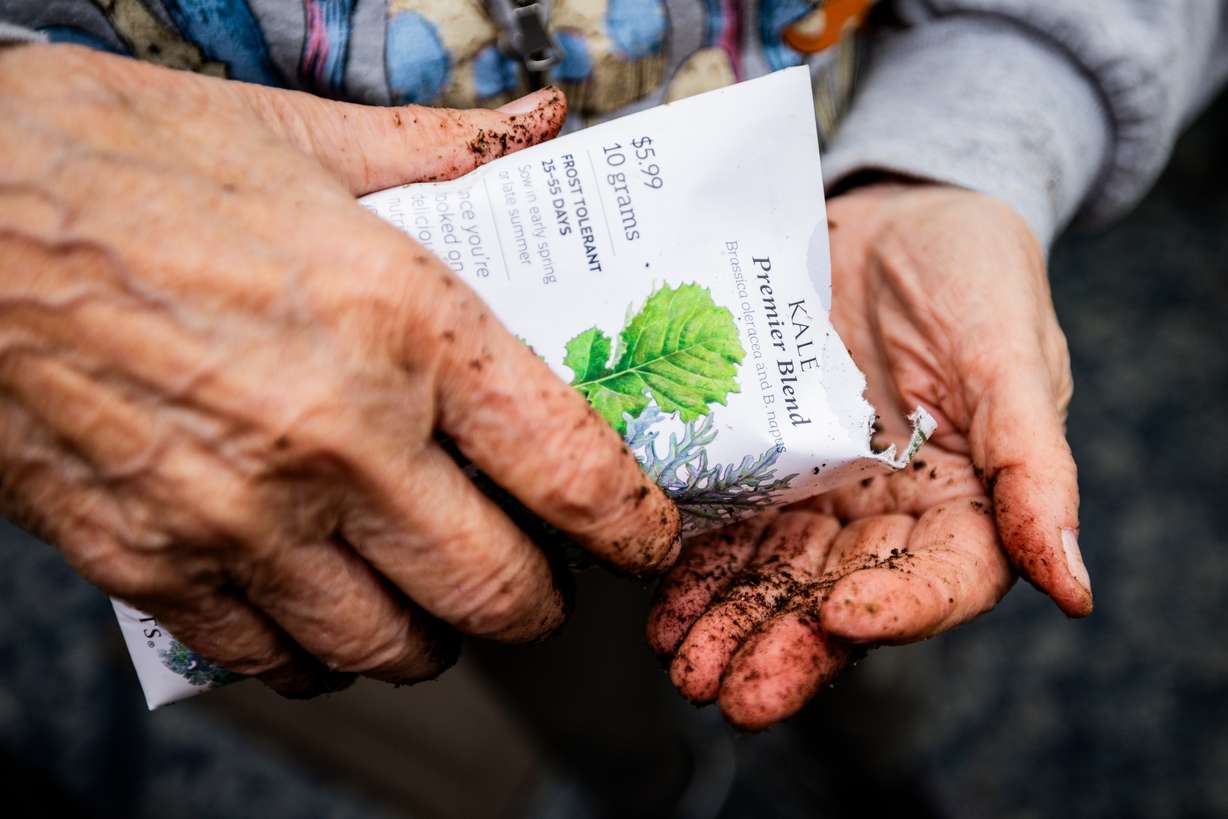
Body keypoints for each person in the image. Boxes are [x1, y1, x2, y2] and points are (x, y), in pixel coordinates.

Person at [0, 0, 1224, 727]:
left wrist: (975, 139)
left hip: (838, 220)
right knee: (530, 641)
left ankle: (855, 751)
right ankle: (637, 778)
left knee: (839, 625)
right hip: (302, 429)